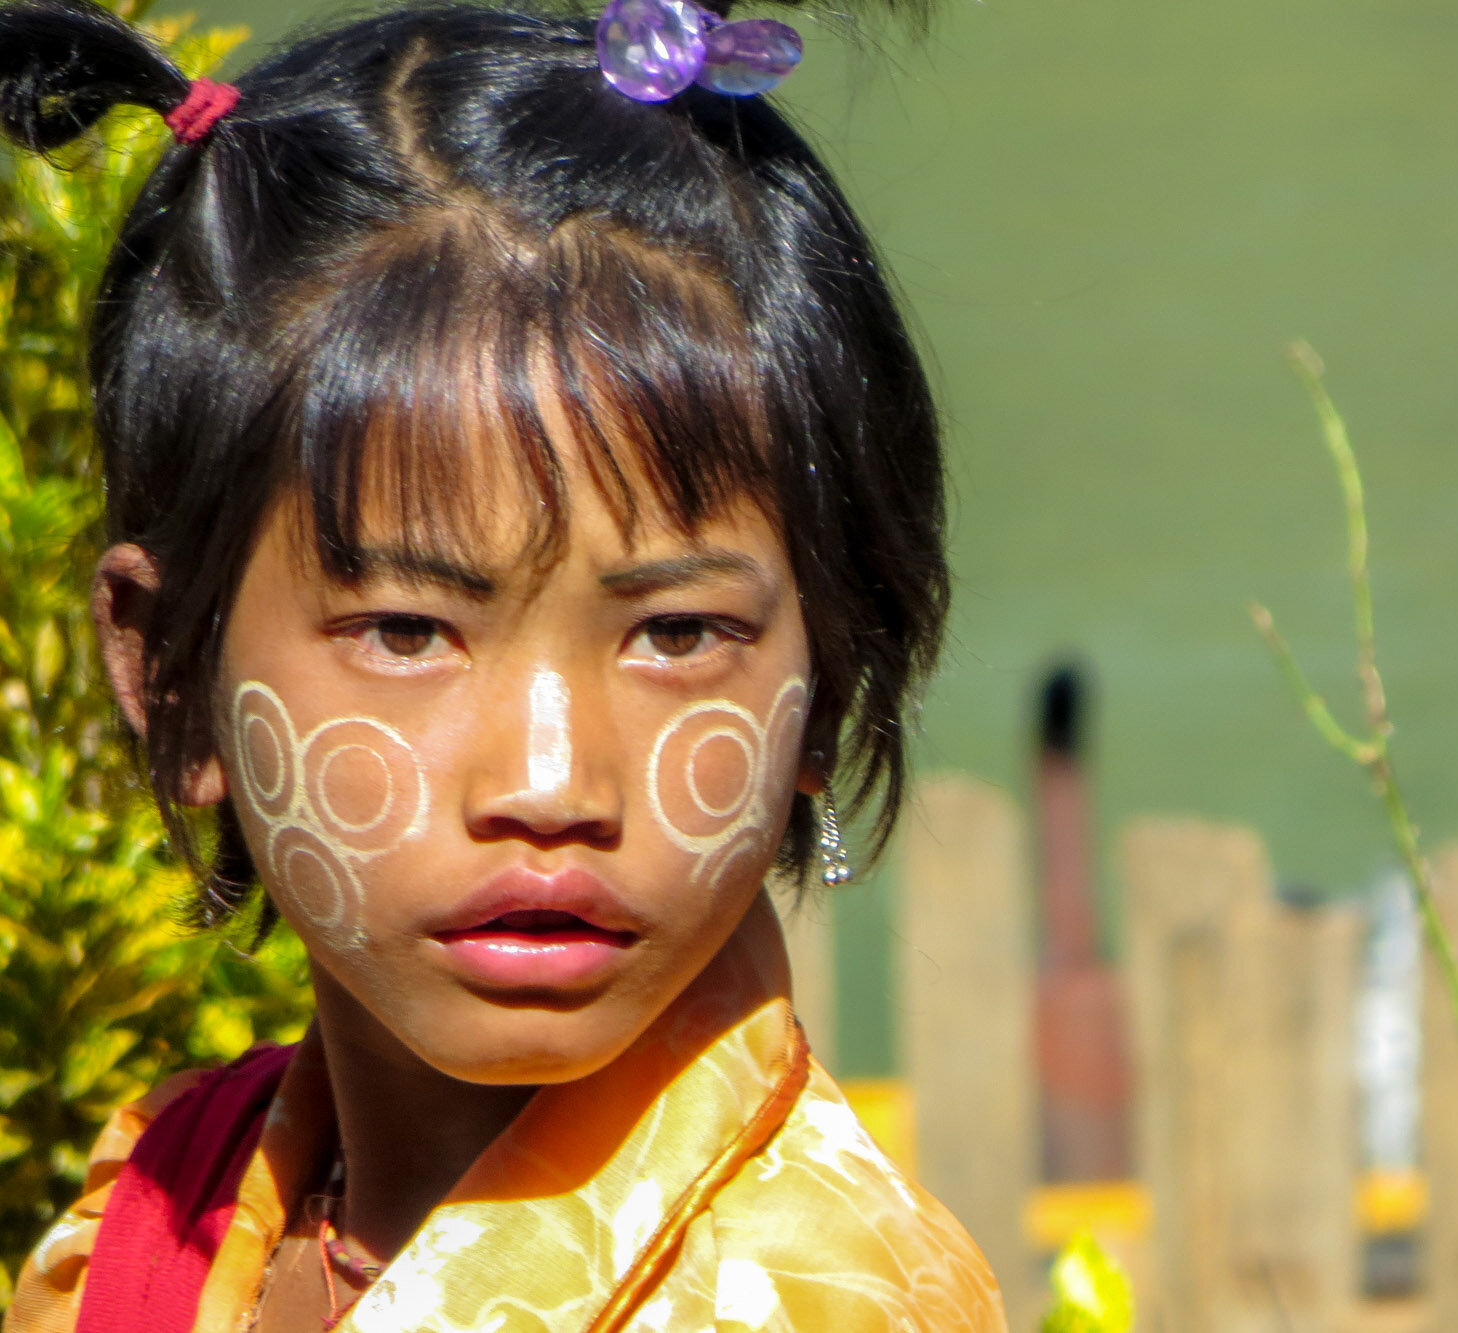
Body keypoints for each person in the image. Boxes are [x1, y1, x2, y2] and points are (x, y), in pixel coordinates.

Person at [0, 0, 1004, 1327]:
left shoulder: (816, 1293)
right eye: (409, 632)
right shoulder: (159, 1211)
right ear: (170, 677)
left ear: (826, 663)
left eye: (677, 632)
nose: (550, 780)